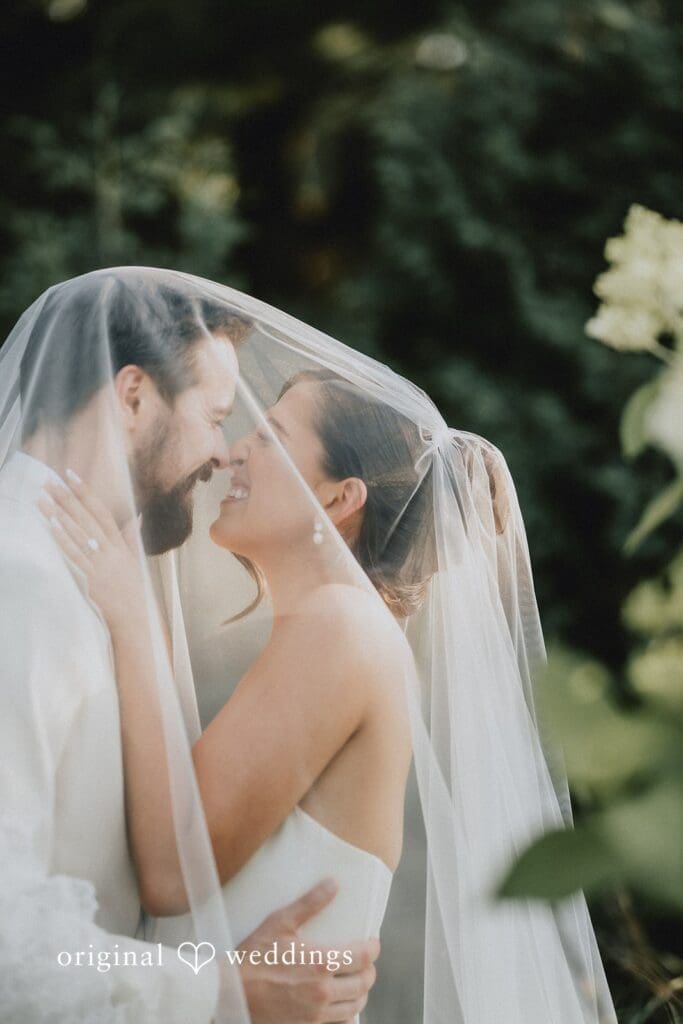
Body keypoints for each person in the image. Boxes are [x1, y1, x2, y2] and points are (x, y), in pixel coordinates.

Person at [36, 269, 618, 1024]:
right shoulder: (335, 632)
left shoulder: (340, 630)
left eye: (271, 436)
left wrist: (133, 626)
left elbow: (174, 875)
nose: (230, 453)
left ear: (341, 499)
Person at [0, 269, 379, 1024]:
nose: (221, 453)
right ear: (132, 396)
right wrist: (218, 989)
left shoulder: (78, 574)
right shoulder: (21, 585)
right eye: (213, 416)